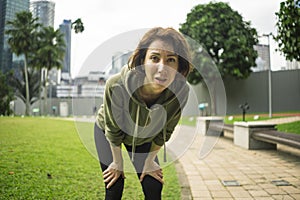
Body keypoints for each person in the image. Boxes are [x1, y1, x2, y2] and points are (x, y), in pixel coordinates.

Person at [94, 27, 192, 200]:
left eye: (171, 60)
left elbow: (165, 132)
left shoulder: (181, 91)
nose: (162, 68)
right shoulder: (116, 85)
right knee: (114, 185)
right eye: (154, 58)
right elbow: (113, 129)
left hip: (143, 137)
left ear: (179, 66)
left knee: (153, 186)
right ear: (142, 60)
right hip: (107, 132)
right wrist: (117, 162)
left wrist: (149, 161)